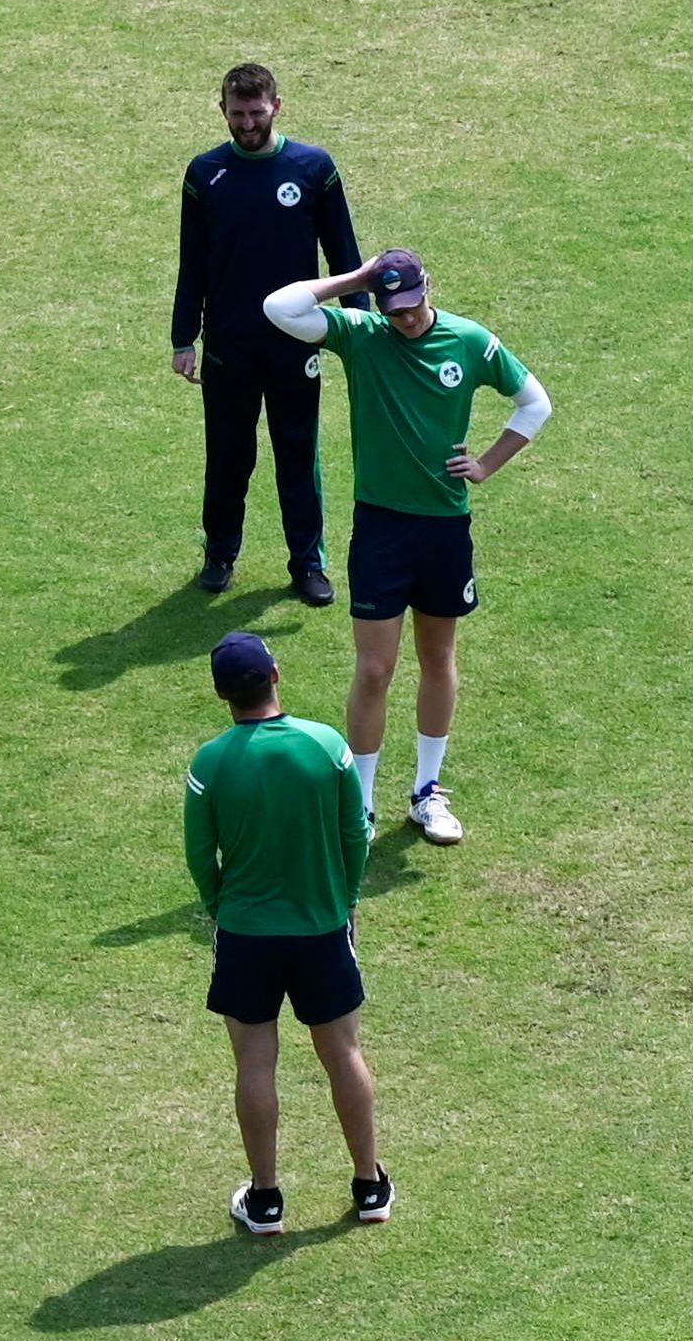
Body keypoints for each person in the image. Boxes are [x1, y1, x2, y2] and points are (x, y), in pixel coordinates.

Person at [260, 249, 552, 847]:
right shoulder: (362, 333)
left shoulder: (470, 341)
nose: (406, 320)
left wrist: (488, 464)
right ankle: (361, 804)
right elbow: (278, 307)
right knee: (374, 669)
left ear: (428, 289)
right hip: (381, 530)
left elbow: (535, 402)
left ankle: (427, 793)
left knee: (438, 659)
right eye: (394, 311)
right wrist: (358, 280)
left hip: (443, 527)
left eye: (412, 307)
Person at [184, 631, 386, 1236]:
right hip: (322, 930)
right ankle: (369, 1185)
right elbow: (358, 832)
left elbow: (200, 854)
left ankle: (266, 1200)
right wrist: (345, 901)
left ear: (223, 694)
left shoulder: (211, 762)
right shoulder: (326, 746)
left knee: (254, 1062)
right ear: (276, 674)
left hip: (247, 936)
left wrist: (221, 906)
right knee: (343, 1054)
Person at [171, 62, 362, 605]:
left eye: (257, 112)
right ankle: (220, 554)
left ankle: (307, 564)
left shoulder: (313, 168)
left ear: (279, 105)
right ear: (223, 110)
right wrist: (184, 338)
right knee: (228, 456)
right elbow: (194, 263)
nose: (248, 123)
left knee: (298, 454)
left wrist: (364, 326)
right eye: (238, 113)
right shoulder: (204, 174)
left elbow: (344, 254)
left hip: (297, 343)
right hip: (229, 345)